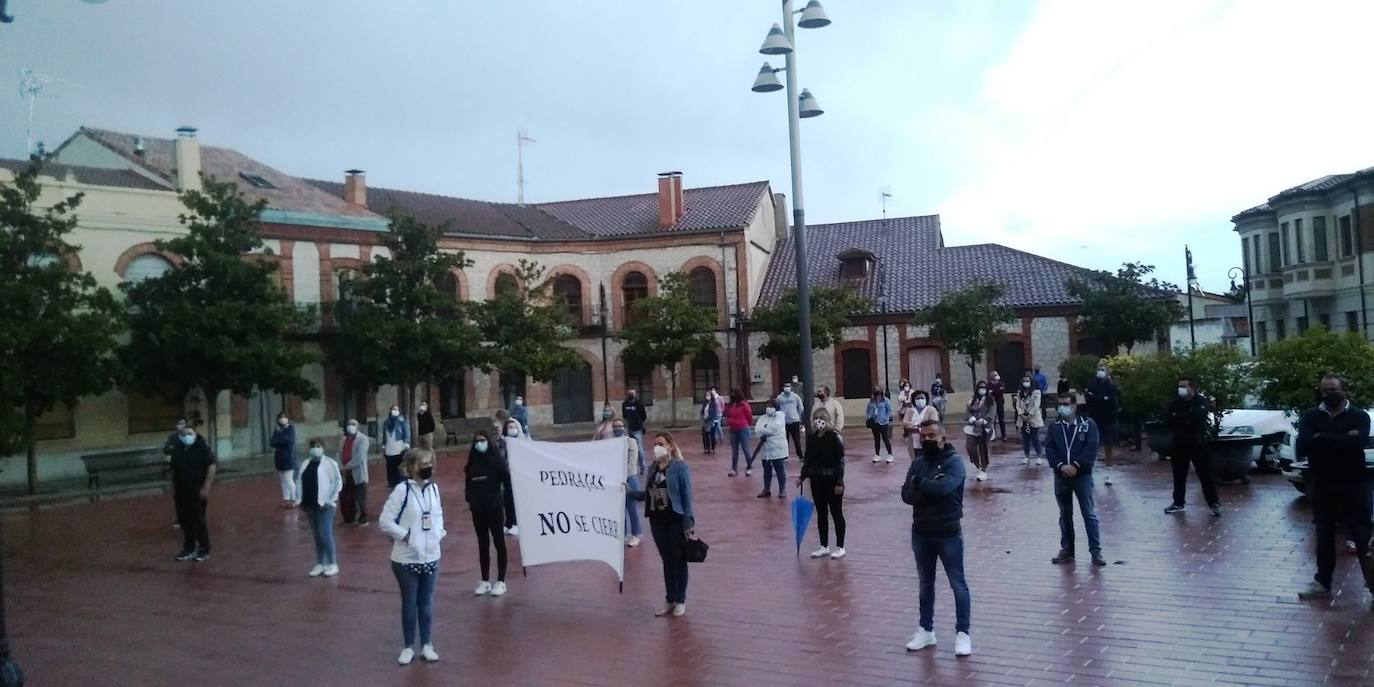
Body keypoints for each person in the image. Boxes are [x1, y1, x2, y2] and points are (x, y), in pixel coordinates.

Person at [1294, 375, 1374, 603]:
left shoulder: (1359, 416)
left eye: (1333, 389)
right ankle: (1322, 581)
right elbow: (1304, 445)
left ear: (1344, 390)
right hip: (1322, 483)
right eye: (1325, 390)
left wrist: (1322, 439)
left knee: (1362, 535)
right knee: (1324, 534)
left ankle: (1373, 584)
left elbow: (1358, 443)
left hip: (1354, 483)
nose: (1329, 394)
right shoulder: (1310, 416)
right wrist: (1341, 440)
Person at [901, 419, 971, 657]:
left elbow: (945, 488)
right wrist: (925, 488)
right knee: (925, 583)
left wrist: (921, 485)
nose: (927, 439)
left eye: (932, 435)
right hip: (921, 531)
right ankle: (926, 629)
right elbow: (906, 495)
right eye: (924, 436)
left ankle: (963, 633)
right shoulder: (918, 463)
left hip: (948, 532)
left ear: (943, 437)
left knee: (957, 584)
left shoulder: (955, 463)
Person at [380, 448, 445, 665]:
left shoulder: (434, 489)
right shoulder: (402, 490)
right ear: (411, 467)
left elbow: (438, 516)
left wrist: (438, 535)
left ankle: (427, 644)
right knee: (410, 602)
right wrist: (406, 537)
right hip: (406, 558)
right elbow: (385, 521)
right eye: (422, 463)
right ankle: (408, 646)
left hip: (431, 555)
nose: (427, 467)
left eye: (429, 462)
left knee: (426, 603)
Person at [629, 433, 696, 617]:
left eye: (661, 444)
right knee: (667, 561)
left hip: (675, 519)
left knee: (678, 560)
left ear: (670, 447)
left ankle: (680, 599)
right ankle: (670, 598)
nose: (657, 447)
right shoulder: (653, 468)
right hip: (657, 521)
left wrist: (688, 521)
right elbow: (647, 493)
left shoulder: (679, 467)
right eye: (655, 444)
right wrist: (630, 493)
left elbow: (686, 495)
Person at [1045, 394, 1106, 566]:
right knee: (1065, 514)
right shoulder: (1055, 427)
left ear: (1074, 406)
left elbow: (1091, 447)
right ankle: (1067, 549)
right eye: (1059, 405)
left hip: (1082, 475)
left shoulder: (1088, 425)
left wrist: (1077, 465)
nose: (1062, 408)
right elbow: (1049, 448)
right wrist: (1060, 466)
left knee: (1089, 513)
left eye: (1065, 404)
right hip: (1061, 476)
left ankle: (1096, 551)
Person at [1164, 377, 1220, 516]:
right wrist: (1183, 418)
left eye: (1184, 386)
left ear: (1192, 388)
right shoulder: (1175, 402)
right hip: (1179, 443)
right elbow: (1167, 417)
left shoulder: (1200, 401)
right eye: (1179, 386)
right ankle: (1178, 503)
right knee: (1179, 475)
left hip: (1198, 443)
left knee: (1205, 474)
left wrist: (1180, 417)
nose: (1181, 389)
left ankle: (1213, 502)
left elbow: (1199, 415)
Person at [464, 431, 511, 597]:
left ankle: (501, 580)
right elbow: (467, 485)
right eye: (477, 441)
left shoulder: (497, 462)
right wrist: (470, 498)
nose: (480, 444)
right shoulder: (472, 464)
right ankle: (485, 580)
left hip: (495, 509)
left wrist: (506, 504)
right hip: (478, 509)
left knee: (499, 542)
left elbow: (508, 484)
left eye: (483, 440)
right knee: (482, 544)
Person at [799, 409, 847, 559]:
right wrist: (802, 476)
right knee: (821, 513)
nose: (819, 421)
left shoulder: (834, 438)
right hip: (817, 480)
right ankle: (824, 545)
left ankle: (840, 546)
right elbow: (808, 459)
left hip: (832, 480)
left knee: (836, 512)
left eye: (822, 418)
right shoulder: (812, 438)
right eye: (816, 418)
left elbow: (841, 461)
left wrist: (839, 482)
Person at [295, 438, 342, 577]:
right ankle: (320, 562)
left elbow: (337, 482)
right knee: (316, 534)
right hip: (310, 503)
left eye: (318, 446)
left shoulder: (330, 463)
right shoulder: (306, 463)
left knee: (325, 533)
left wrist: (329, 500)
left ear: (323, 447)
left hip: (326, 505)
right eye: (313, 446)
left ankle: (332, 563)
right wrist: (299, 499)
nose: (315, 449)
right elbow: (299, 481)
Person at [170, 424, 216, 562]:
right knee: (184, 519)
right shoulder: (178, 449)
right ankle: (189, 547)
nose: (186, 437)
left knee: (198, 519)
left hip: (197, 490)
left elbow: (211, 466)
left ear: (195, 435)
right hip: (181, 490)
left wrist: (206, 486)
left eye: (189, 434)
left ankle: (204, 548)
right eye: (183, 434)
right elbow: (174, 468)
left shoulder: (202, 448)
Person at [1084, 367, 1120, 486]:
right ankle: (1090, 473)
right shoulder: (1091, 384)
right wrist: (1103, 399)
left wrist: (1099, 399)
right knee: (1093, 446)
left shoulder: (1112, 386)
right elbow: (1089, 400)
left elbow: (1113, 402)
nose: (1100, 371)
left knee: (1109, 447)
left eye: (1103, 369)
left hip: (1109, 420)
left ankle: (1108, 474)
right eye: (1099, 369)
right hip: (1094, 420)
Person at [611, 419, 643, 546]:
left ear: (624, 427)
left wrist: (623, 477)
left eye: (619, 426)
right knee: (620, 509)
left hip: (630, 479)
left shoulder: (631, 442)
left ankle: (636, 534)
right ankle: (623, 534)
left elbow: (631, 463)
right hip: (616, 479)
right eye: (615, 427)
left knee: (632, 508)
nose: (617, 429)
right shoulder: (611, 443)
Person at [752, 399, 788, 498]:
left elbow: (774, 428)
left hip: (777, 447)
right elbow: (757, 429)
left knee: (779, 470)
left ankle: (782, 490)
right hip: (766, 448)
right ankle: (767, 489)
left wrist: (764, 430)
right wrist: (763, 431)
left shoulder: (780, 416)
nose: (768, 408)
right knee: (766, 470)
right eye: (767, 406)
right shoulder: (763, 418)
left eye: (771, 406)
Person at [339, 418, 371, 526]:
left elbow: (360, 456)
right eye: (349, 424)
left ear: (357, 426)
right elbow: (339, 452)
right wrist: (341, 465)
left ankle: (364, 517)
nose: (350, 426)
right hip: (346, 472)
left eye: (353, 424)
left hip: (357, 472)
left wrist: (348, 466)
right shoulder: (344, 439)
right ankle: (349, 518)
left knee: (360, 495)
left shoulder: (363, 439)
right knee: (347, 495)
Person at [964, 381, 995, 482]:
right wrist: (973, 420)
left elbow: (991, 413)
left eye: (984, 388)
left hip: (985, 427)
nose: (982, 390)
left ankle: (984, 469)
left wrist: (983, 421)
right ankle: (977, 465)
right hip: (972, 427)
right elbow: (968, 412)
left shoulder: (990, 400)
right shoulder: (972, 400)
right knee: (970, 447)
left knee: (984, 448)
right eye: (980, 388)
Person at [1013, 376, 1045, 466]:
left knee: (1035, 438)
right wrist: (1021, 414)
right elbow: (1018, 405)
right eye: (1024, 381)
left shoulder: (1036, 392)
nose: (1025, 382)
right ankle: (1026, 456)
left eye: (1027, 381)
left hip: (1033, 417)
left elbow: (1036, 404)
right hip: (1023, 418)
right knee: (1025, 438)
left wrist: (1030, 414)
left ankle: (1039, 456)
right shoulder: (1020, 393)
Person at [500, 419, 524, 536]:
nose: (512, 429)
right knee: (507, 500)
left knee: (515, 501)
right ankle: (508, 523)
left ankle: (516, 523)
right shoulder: (501, 442)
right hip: (506, 475)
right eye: (510, 427)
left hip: (517, 475)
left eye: (514, 427)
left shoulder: (521, 443)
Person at [163, 417, 188, 528]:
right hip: (178, 470)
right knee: (179, 496)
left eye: (183, 423)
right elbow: (166, 448)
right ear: (176, 426)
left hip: (190, 470)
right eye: (179, 424)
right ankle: (180, 518)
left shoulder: (191, 436)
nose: (181, 426)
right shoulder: (173, 437)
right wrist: (177, 449)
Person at [724, 389, 755, 477]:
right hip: (733, 429)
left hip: (743, 429)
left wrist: (746, 424)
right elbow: (727, 414)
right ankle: (734, 469)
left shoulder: (744, 405)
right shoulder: (730, 405)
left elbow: (749, 416)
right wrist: (729, 421)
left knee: (746, 449)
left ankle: (749, 468)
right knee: (734, 450)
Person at [271, 413, 298, 510]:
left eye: (284, 417)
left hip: (288, 457)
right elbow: (272, 442)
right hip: (279, 457)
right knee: (282, 480)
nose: (282, 419)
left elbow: (289, 442)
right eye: (280, 418)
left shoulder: (290, 429)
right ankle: (286, 499)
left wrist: (279, 440)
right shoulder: (277, 429)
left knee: (288, 479)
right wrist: (281, 440)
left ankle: (294, 499)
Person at [903, 390, 941, 460]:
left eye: (922, 398)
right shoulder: (910, 410)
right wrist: (919, 425)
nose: (920, 400)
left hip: (928, 442)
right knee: (916, 462)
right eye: (917, 398)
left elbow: (933, 425)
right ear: (914, 400)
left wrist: (917, 427)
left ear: (926, 399)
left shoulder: (931, 410)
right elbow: (905, 423)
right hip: (913, 443)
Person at [383, 404, 411, 489]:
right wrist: (383, 444)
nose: (395, 411)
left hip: (399, 446)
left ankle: (400, 481)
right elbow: (384, 434)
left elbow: (406, 432)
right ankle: (391, 482)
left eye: (397, 409)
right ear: (390, 411)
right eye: (394, 409)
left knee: (399, 465)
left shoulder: (401, 421)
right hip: (389, 446)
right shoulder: (386, 422)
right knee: (390, 466)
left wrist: (406, 443)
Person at [776, 381, 805, 459]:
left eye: (788, 386)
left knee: (797, 440)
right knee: (784, 440)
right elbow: (777, 407)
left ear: (791, 387)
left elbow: (801, 407)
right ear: (783, 388)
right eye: (785, 386)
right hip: (784, 422)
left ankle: (800, 456)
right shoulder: (779, 398)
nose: (787, 388)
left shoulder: (795, 396)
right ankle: (784, 455)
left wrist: (798, 416)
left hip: (794, 421)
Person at [622, 389, 648, 475]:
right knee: (629, 448)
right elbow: (624, 415)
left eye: (632, 393)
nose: (631, 394)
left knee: (639, 448)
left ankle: (642, 466)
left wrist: (639, 422)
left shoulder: (639, 404)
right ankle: (631, 467)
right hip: (629, 428)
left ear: (635, 394)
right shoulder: (625, 404)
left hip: (637, 429)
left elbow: (644, 416)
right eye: (629, 393)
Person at [866, 387, 895, 463]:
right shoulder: (871, 401)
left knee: (885, 438)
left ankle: (890, 455)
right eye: (876, 394)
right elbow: (868, 410)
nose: (877, 395)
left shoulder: (885, 401)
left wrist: (885, 417)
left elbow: (890, 410)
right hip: (874, 422)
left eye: (879, 393)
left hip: (883, 423)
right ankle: (877, 455)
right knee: (876, 439)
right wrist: (869, 417)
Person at [699, 390, 721, 454]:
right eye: (706, 395)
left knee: (712, 435)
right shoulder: (704, 403)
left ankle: (712, 448)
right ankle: (706, 448)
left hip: (711, 422)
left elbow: (714, 413)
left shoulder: (714, 403)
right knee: (705, 435)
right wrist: (703, 417)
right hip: (705, 422)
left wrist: (709, 418)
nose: (707, 397)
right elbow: (702, 411)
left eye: (708, 395)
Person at [988, 371, 1007, 440]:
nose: (996, 376)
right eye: (994, 375)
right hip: (992, 404)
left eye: (996, 375)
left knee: (1001, 420)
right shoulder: (989, 384)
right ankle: (993, 436)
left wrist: (993, 391)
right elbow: (989, 393)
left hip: (1000, 403)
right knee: (993, 421)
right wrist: (996, 391)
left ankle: (1004, 435)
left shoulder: (1001, 383)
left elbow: (1001, 391)